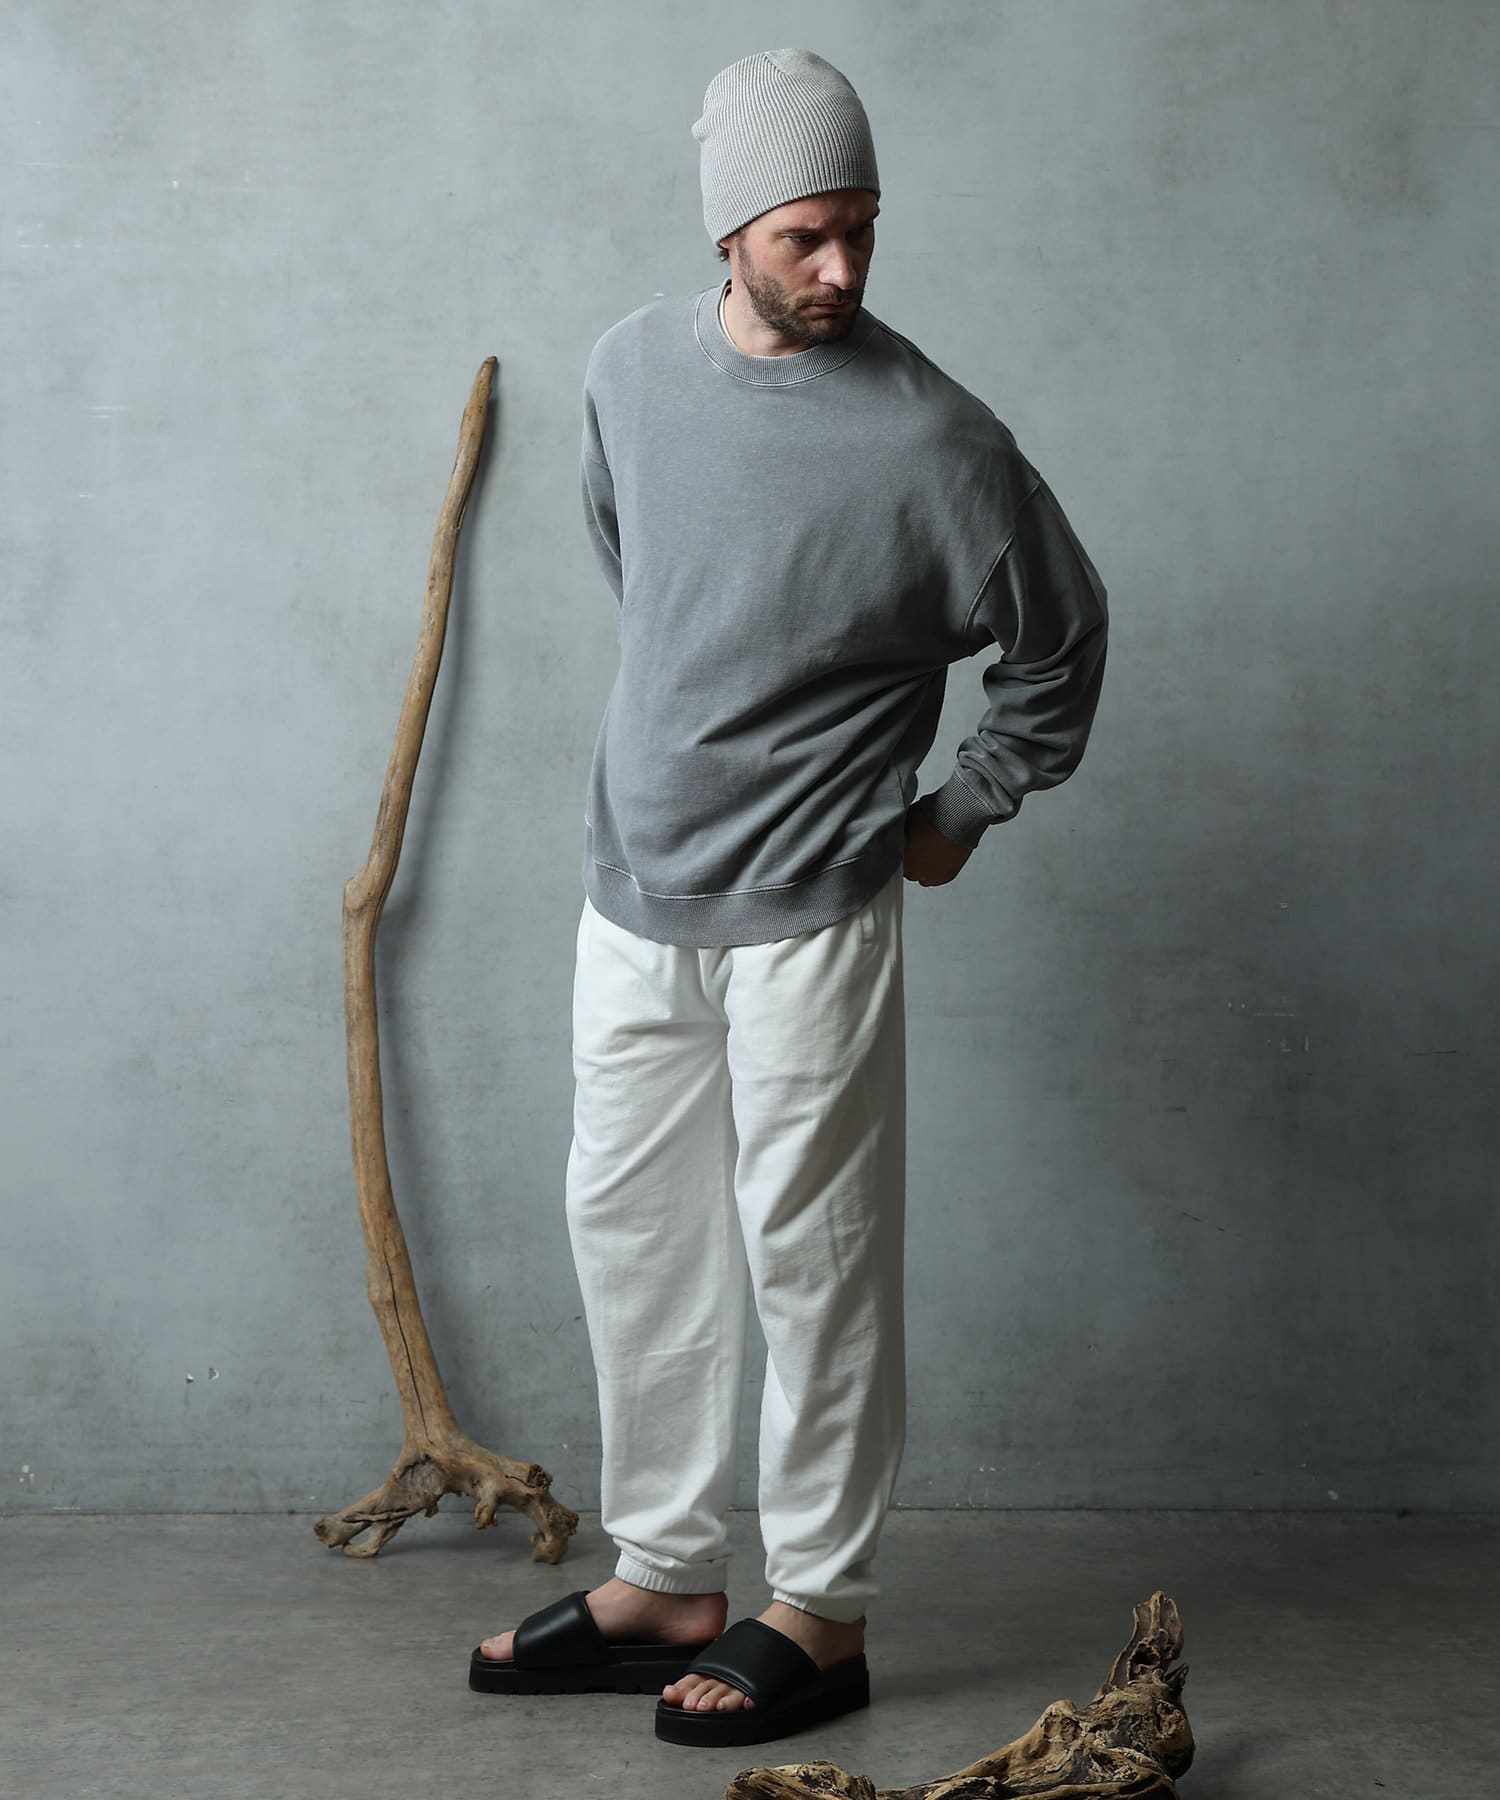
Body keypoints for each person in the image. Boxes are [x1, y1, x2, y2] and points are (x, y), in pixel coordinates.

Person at [469, 47, 1109, 1749]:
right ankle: (668, 1573)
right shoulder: (628, 370)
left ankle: (819, 1608)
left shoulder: (938, 443)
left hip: (815, 908)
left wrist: (961, 809)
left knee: (813, 1257)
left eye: (863, 231)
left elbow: (1061, 642)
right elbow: (650, 577)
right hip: (632, 888)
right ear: (730, 230)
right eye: (807, 235)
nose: (842, 267)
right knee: (632, 1235)